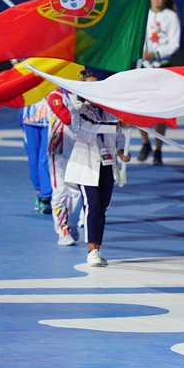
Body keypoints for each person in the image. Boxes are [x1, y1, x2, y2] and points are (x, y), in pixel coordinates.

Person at [63, 71, 131, 267]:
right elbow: (92, 126)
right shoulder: (78, 110)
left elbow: (118, 136)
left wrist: (121, 151)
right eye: (90, 86)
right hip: (86, 165)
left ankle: (98, 248)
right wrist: (119, 124)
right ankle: (91, 250)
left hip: (107, 164)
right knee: (92, 204)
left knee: (102, 207)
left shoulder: (108, 111)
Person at [137, 0, 181, 166]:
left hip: (162, 67)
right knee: (139, 107)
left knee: (161, 110)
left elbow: (174, 44)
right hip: (143, 67)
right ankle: (145, 143)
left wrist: (155, 54)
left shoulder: (171, 16)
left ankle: (158, 149)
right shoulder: (142, 13)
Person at [46, 88, 83, 246]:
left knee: (77, 191)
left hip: (78, 149)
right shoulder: (55, 95)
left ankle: (72, 224)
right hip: (58, 149)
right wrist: (83, 110)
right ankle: (62, 231)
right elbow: (66, 118)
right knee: (60, 192)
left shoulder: (81, 94)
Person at [20, 97, 52, 214]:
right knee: (33, 158)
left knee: (45, 158)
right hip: (29, 118)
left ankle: (46, 196)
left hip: (50, 118)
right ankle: (39, 191)